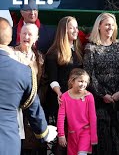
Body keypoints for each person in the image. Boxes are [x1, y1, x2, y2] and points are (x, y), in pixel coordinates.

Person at [0, 17, 57, 155]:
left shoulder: (37, 60)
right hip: (6, 141)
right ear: (11, 38)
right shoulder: (22, 70)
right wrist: (44, 132)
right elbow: (32, 106)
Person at [83, 12, 119, 155]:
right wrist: (103, 95)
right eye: (107, 24)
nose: (110, 27)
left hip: (118, 100)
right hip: (99, 102)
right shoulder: (91, 48)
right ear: (99, 27)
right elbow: (89, 75)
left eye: (112, 24)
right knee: (103, 140)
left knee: (118, 138)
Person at [45, 16, 83, 154]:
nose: (75, 30)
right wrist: (59, 93)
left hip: (77, 102)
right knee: (60, 141)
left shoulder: (79, 51)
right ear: (63, 30)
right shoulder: (53, 53)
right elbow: (52, 79)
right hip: (60, 102)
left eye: (76, 27)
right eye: (72, 27)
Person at [12, 23, 47, 154]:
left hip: (32, 109)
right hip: (13, 110)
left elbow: (43, 82)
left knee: (31, 147)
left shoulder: (40, 58)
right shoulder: (10, 54)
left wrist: (34, 99)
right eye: (24, 33)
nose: (26, 36)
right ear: (19, 35)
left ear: (36, 38)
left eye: (30, 34)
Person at [57, 68, 97, 155]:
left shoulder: (89, 96)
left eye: (86, 82)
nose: (83, 84)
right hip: (72, 134)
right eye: (81, 81)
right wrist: (61, 135)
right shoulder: (64, 97)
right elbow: (61, 117)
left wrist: (94, 137)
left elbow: (93, 117)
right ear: (72, 81)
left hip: (85, 132)